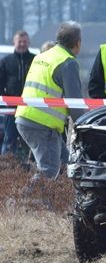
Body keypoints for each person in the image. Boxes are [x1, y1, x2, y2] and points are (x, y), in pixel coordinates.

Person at [15, 22, 85, 179]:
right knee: (49, 171)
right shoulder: (68, 62)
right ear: (78, 43)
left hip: (25, 118)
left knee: (64, 162)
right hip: (43, 125)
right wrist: (85, 128)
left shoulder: (42, 56)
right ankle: (26, 202)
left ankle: (58, 202)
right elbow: (75, 102)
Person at [0, 31, 36, 157]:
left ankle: (31, 169)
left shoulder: (35, 60)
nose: (22, 44)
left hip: (31, 108)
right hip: (11, 109)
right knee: (9, 141)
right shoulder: (5, 61)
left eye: (24, 41)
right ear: (13, 42)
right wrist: (5, 103)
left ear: (29, 43)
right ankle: (6, 171)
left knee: (31, 142)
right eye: (19, 41)